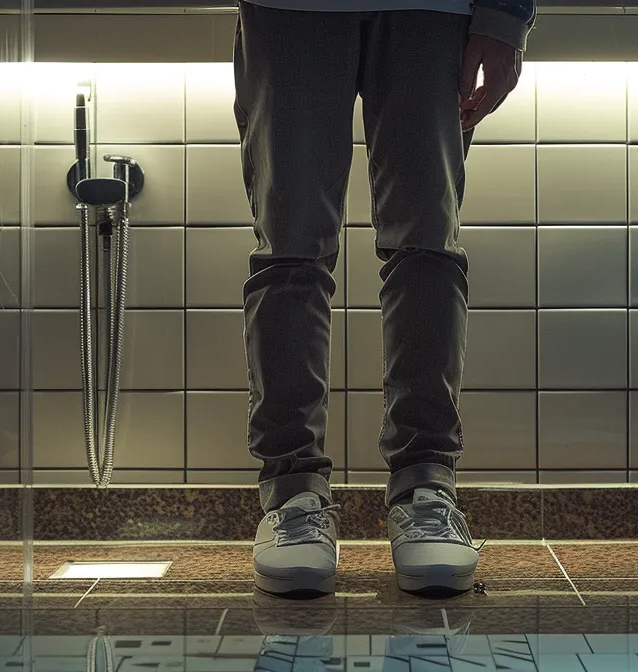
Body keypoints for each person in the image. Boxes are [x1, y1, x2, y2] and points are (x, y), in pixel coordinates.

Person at [234, 0, 534, 597]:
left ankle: (426, 486)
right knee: (292, 250)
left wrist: (503, 17)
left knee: (424, 247)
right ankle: (293, 494)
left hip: (433, 6)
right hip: (290, 7)